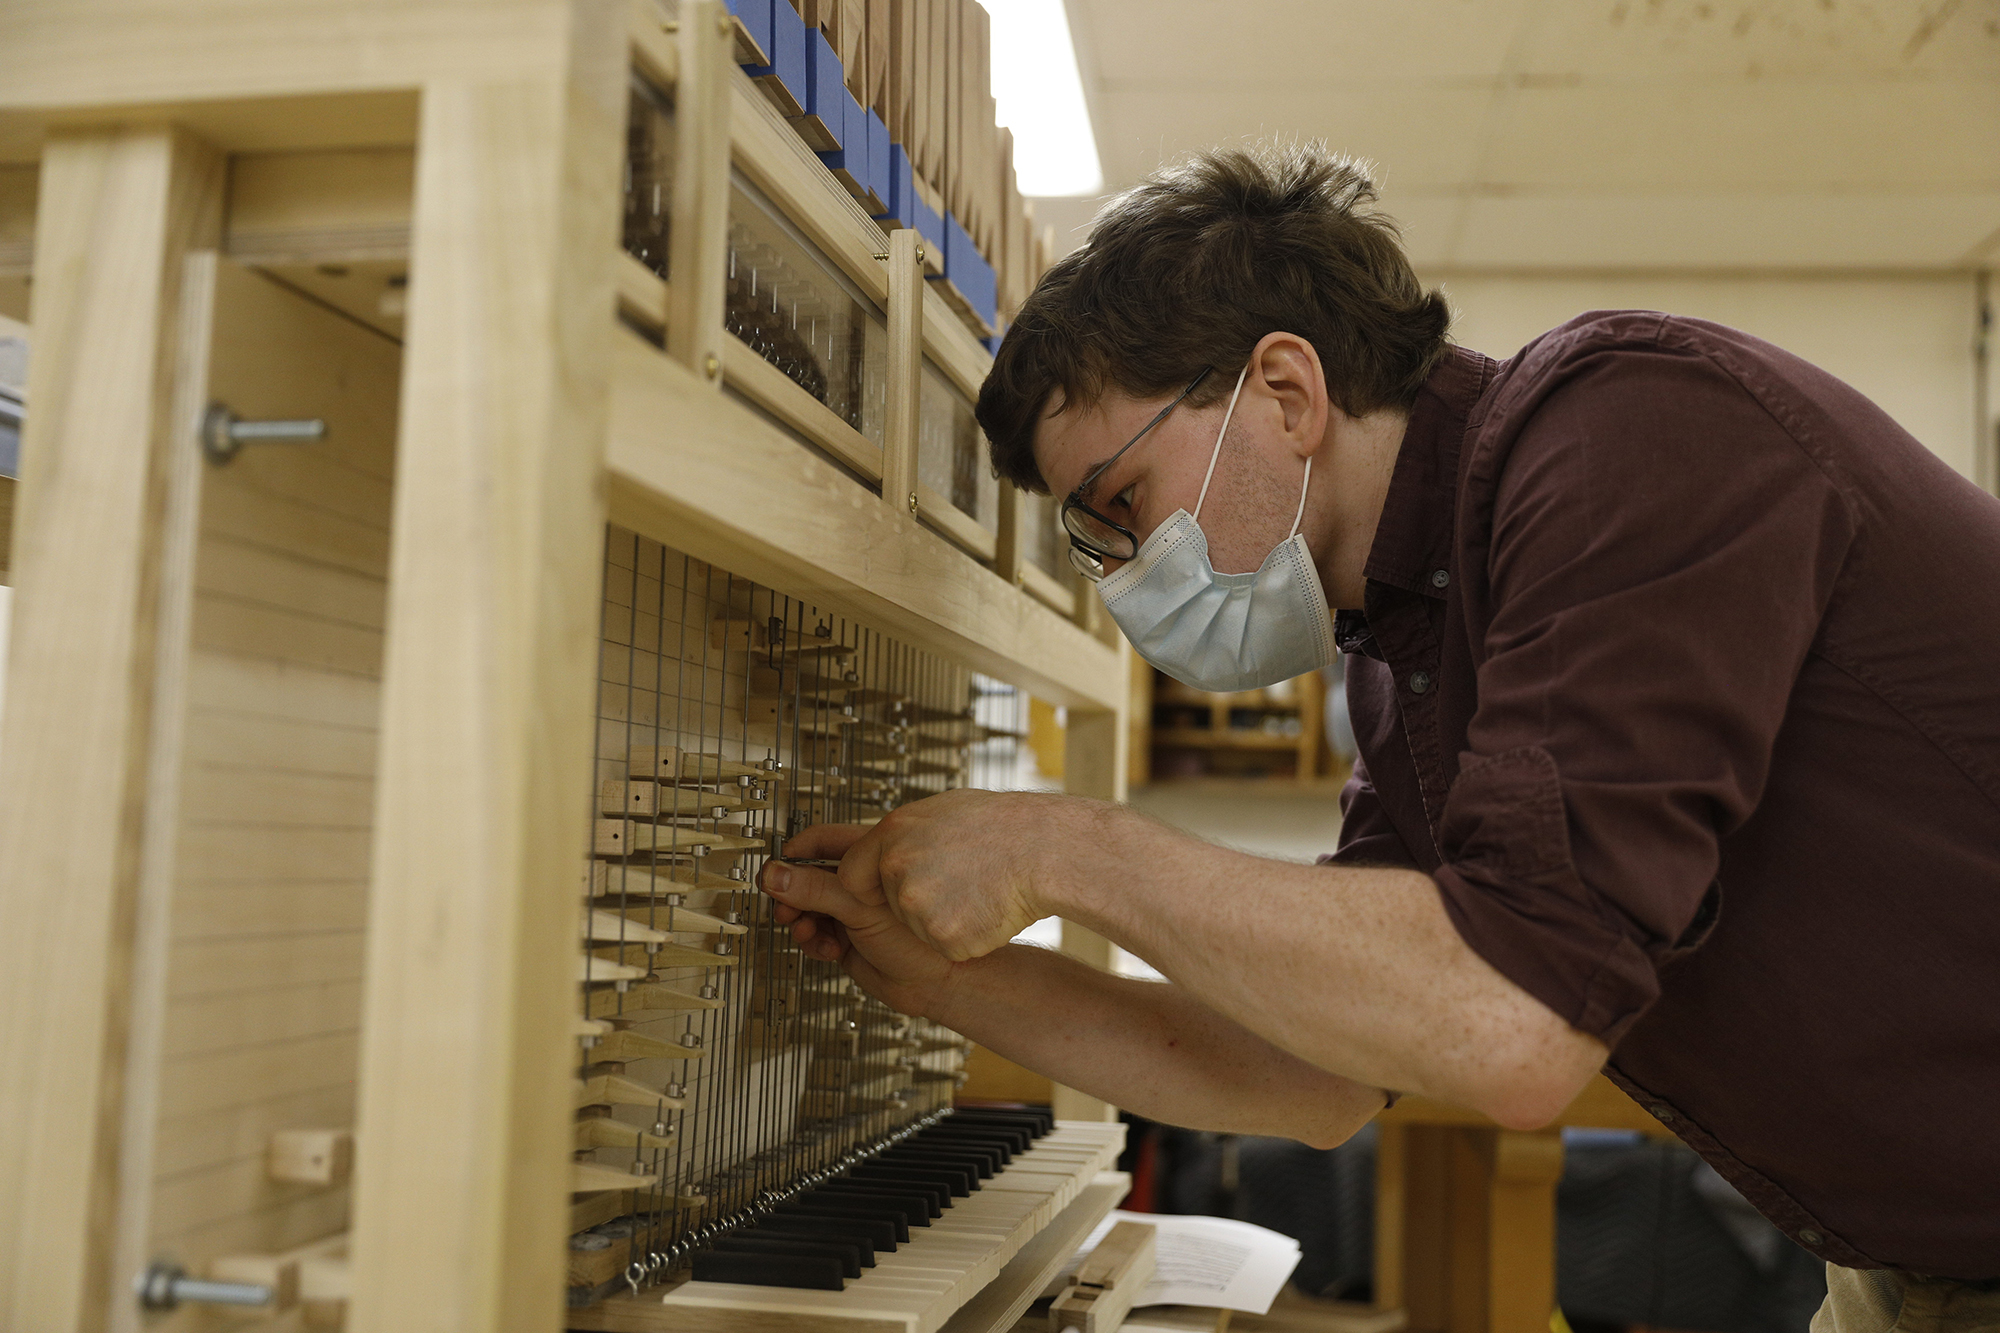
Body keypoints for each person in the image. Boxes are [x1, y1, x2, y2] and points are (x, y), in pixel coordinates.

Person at [755, 144, 2000, 1324]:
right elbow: (1311, 1075)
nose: (1126, 576)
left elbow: (1509, 1019)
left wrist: (1063, 850)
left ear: (1286, 392)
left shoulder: (1626, 431)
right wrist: (930, 976)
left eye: (1120, 506)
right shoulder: (1404, 662)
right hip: (1907, 1264)